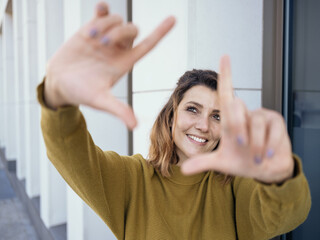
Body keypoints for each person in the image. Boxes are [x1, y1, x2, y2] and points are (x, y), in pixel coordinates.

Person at [38, 2, 311, 239]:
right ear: (171, 116)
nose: (204, 125)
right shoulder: (133, 180)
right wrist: (58, 98)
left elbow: (286, 216)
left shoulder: (237, 186)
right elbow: (70, 153)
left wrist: (281, 177)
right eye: (193, 109)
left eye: (217, 116)